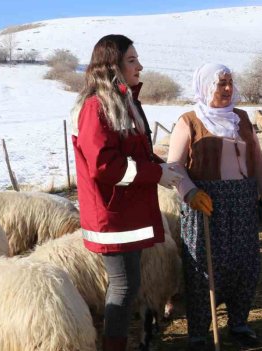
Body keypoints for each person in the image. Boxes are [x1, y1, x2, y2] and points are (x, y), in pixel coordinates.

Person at [71, 34, 183, 351]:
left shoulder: (124, 103)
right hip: (112, 213)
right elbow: (104, 166)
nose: (140, 66)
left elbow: (138, 152)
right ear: (113, 65)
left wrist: (166, 168)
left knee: (129, 284)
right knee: (122, 286)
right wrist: (155, 174)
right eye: (132, 60)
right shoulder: (96, 108)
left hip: (128, 209)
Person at [167, 63, 262, 350]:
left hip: (241, 202)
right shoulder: (189, 121)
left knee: (245, 265)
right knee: (205, 269)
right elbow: (174, 166)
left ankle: (239, 324)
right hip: (206, 204)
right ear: (205, 86)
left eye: (229, 82)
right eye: (220, 83)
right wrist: (190, 192)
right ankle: (200, 332)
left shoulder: (240, 118)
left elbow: (260, 162)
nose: (227, 89)